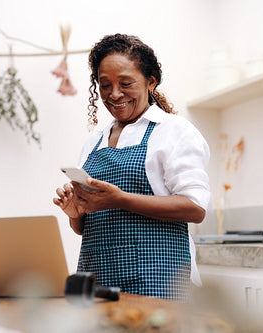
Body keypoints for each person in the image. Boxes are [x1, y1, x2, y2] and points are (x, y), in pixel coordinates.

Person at [53, 33, 210, 301]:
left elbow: (195, 208)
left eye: (126, 83)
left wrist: (120, 199)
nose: (114, 94)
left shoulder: (174, 131)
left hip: (160, 282)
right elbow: (85, 227)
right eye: (104, 85)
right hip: (98, 281)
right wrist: (75, 213)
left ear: (151, 82)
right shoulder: (94, 143)